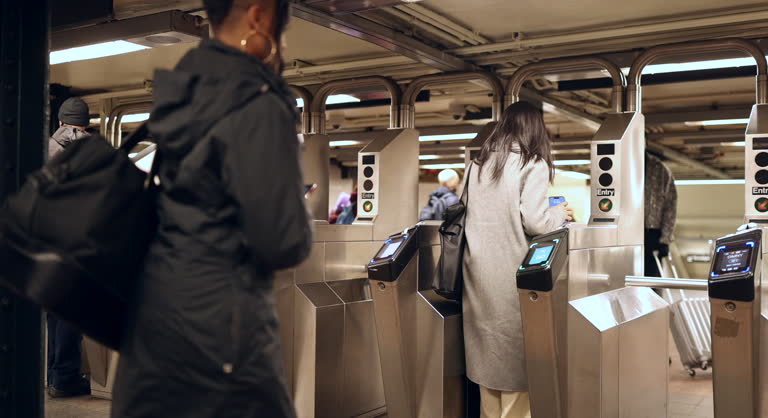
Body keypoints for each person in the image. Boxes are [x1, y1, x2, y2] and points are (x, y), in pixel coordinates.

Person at [110, 0, 311, 417]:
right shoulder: (257, 103)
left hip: (153, 317)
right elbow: (281, 242)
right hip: (223, 332)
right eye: (282, 30)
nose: (283, 43)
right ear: (258, 16)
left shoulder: (184, 91)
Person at [462, 101, 572, 418]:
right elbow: (536, 223)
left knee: (487, 362)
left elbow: (463, 211)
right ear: (536, 129)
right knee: (516, 365)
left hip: (476, 276)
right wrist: (558, 213)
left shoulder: (477, 165)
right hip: (512, 278)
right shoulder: (531, 164)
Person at [47, 97, 92, 398]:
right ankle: (64, 378)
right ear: (86, 123)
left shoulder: (41, 148)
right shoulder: (97, 152)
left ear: (61, 122)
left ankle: (52, 374)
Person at [645, 152, 677, 277]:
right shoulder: (622, 163)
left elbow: (670, 206)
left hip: (652, 234)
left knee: (651, 279)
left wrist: (665, 240)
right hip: (627, 231)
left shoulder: (659, 169)